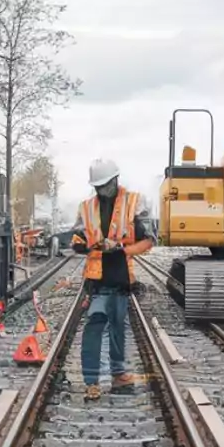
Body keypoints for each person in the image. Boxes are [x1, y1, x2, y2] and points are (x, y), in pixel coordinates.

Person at [70, 158, 156, 401]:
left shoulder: (134, 203)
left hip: (119, 276)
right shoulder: (86, 207)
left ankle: (118, 375)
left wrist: (120, 248)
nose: (101, 190)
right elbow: (77, 239)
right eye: (97, 186)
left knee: (118, 326)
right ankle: (91, 381)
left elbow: (148, 240)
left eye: (104, 185)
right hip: (96, 280)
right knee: (95, 322)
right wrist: (84, 245)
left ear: (115, 180)